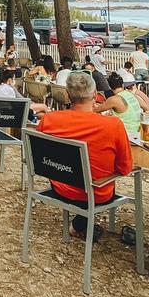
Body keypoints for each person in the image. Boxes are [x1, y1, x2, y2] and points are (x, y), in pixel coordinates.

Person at [37, 72, 134, 240]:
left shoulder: (49, 120)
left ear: (67, 95)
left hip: (60, 186)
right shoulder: (113, 126)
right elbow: (125, 168)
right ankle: (77, 226)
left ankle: (77, 226)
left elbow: (38, 154)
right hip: (95, 194)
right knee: (97, 178)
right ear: (96, 95)